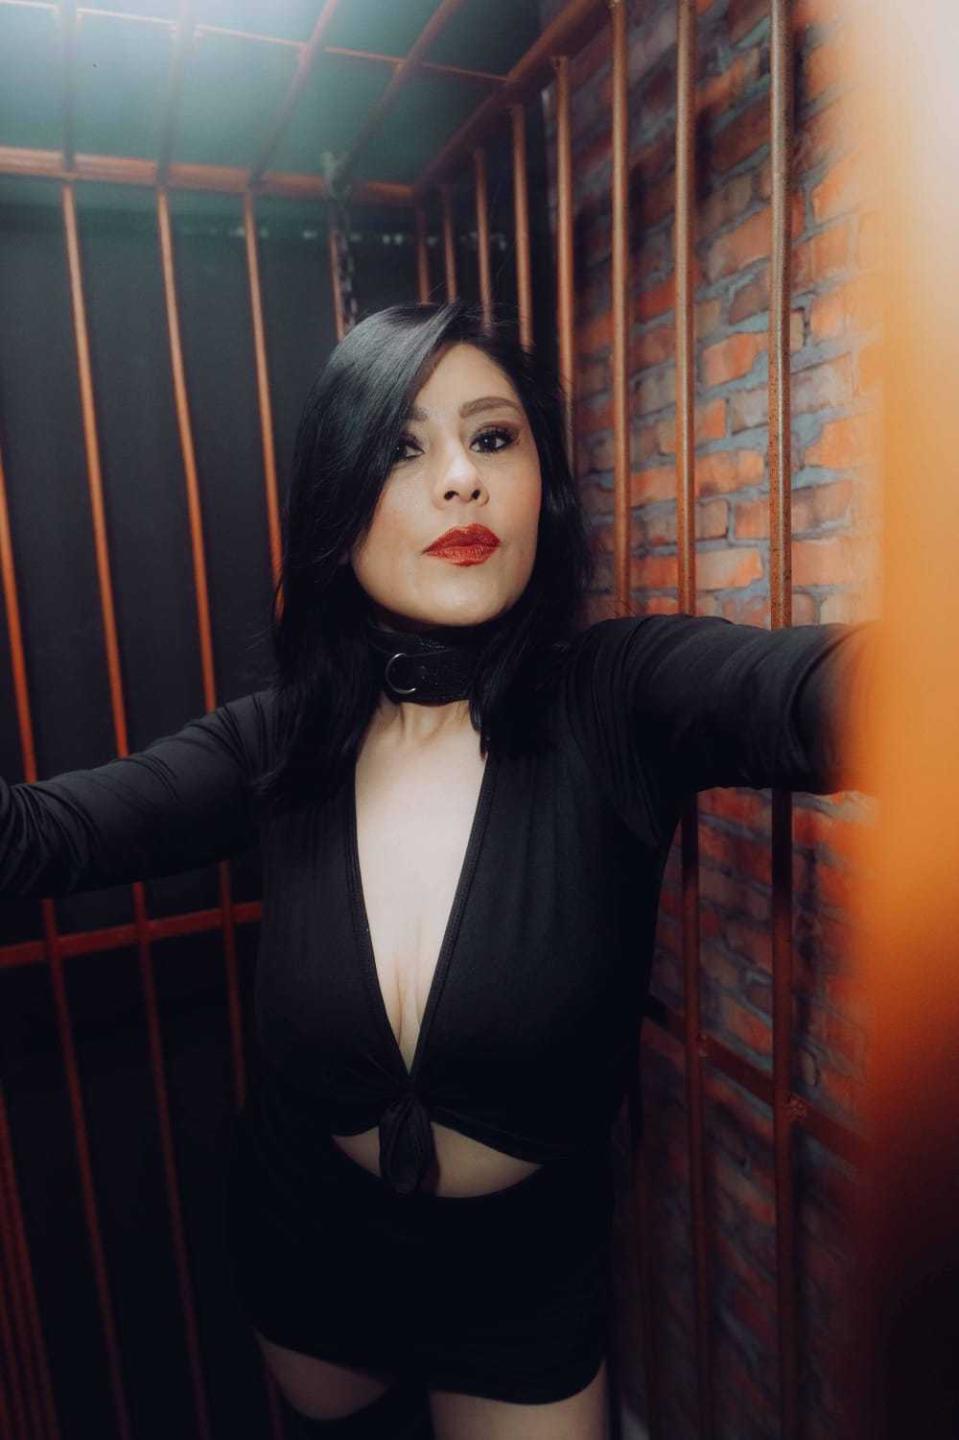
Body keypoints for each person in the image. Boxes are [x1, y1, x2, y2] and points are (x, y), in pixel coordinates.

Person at [0, 300, 878, 1439]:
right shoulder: (278, 744)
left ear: (540, 486)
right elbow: (38, 838)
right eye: (400, 448)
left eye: (492, 437)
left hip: (521, 1283)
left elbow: (831, 694)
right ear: (337, 505)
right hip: (306, 1246)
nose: (460, 479)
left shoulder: (619, 696)